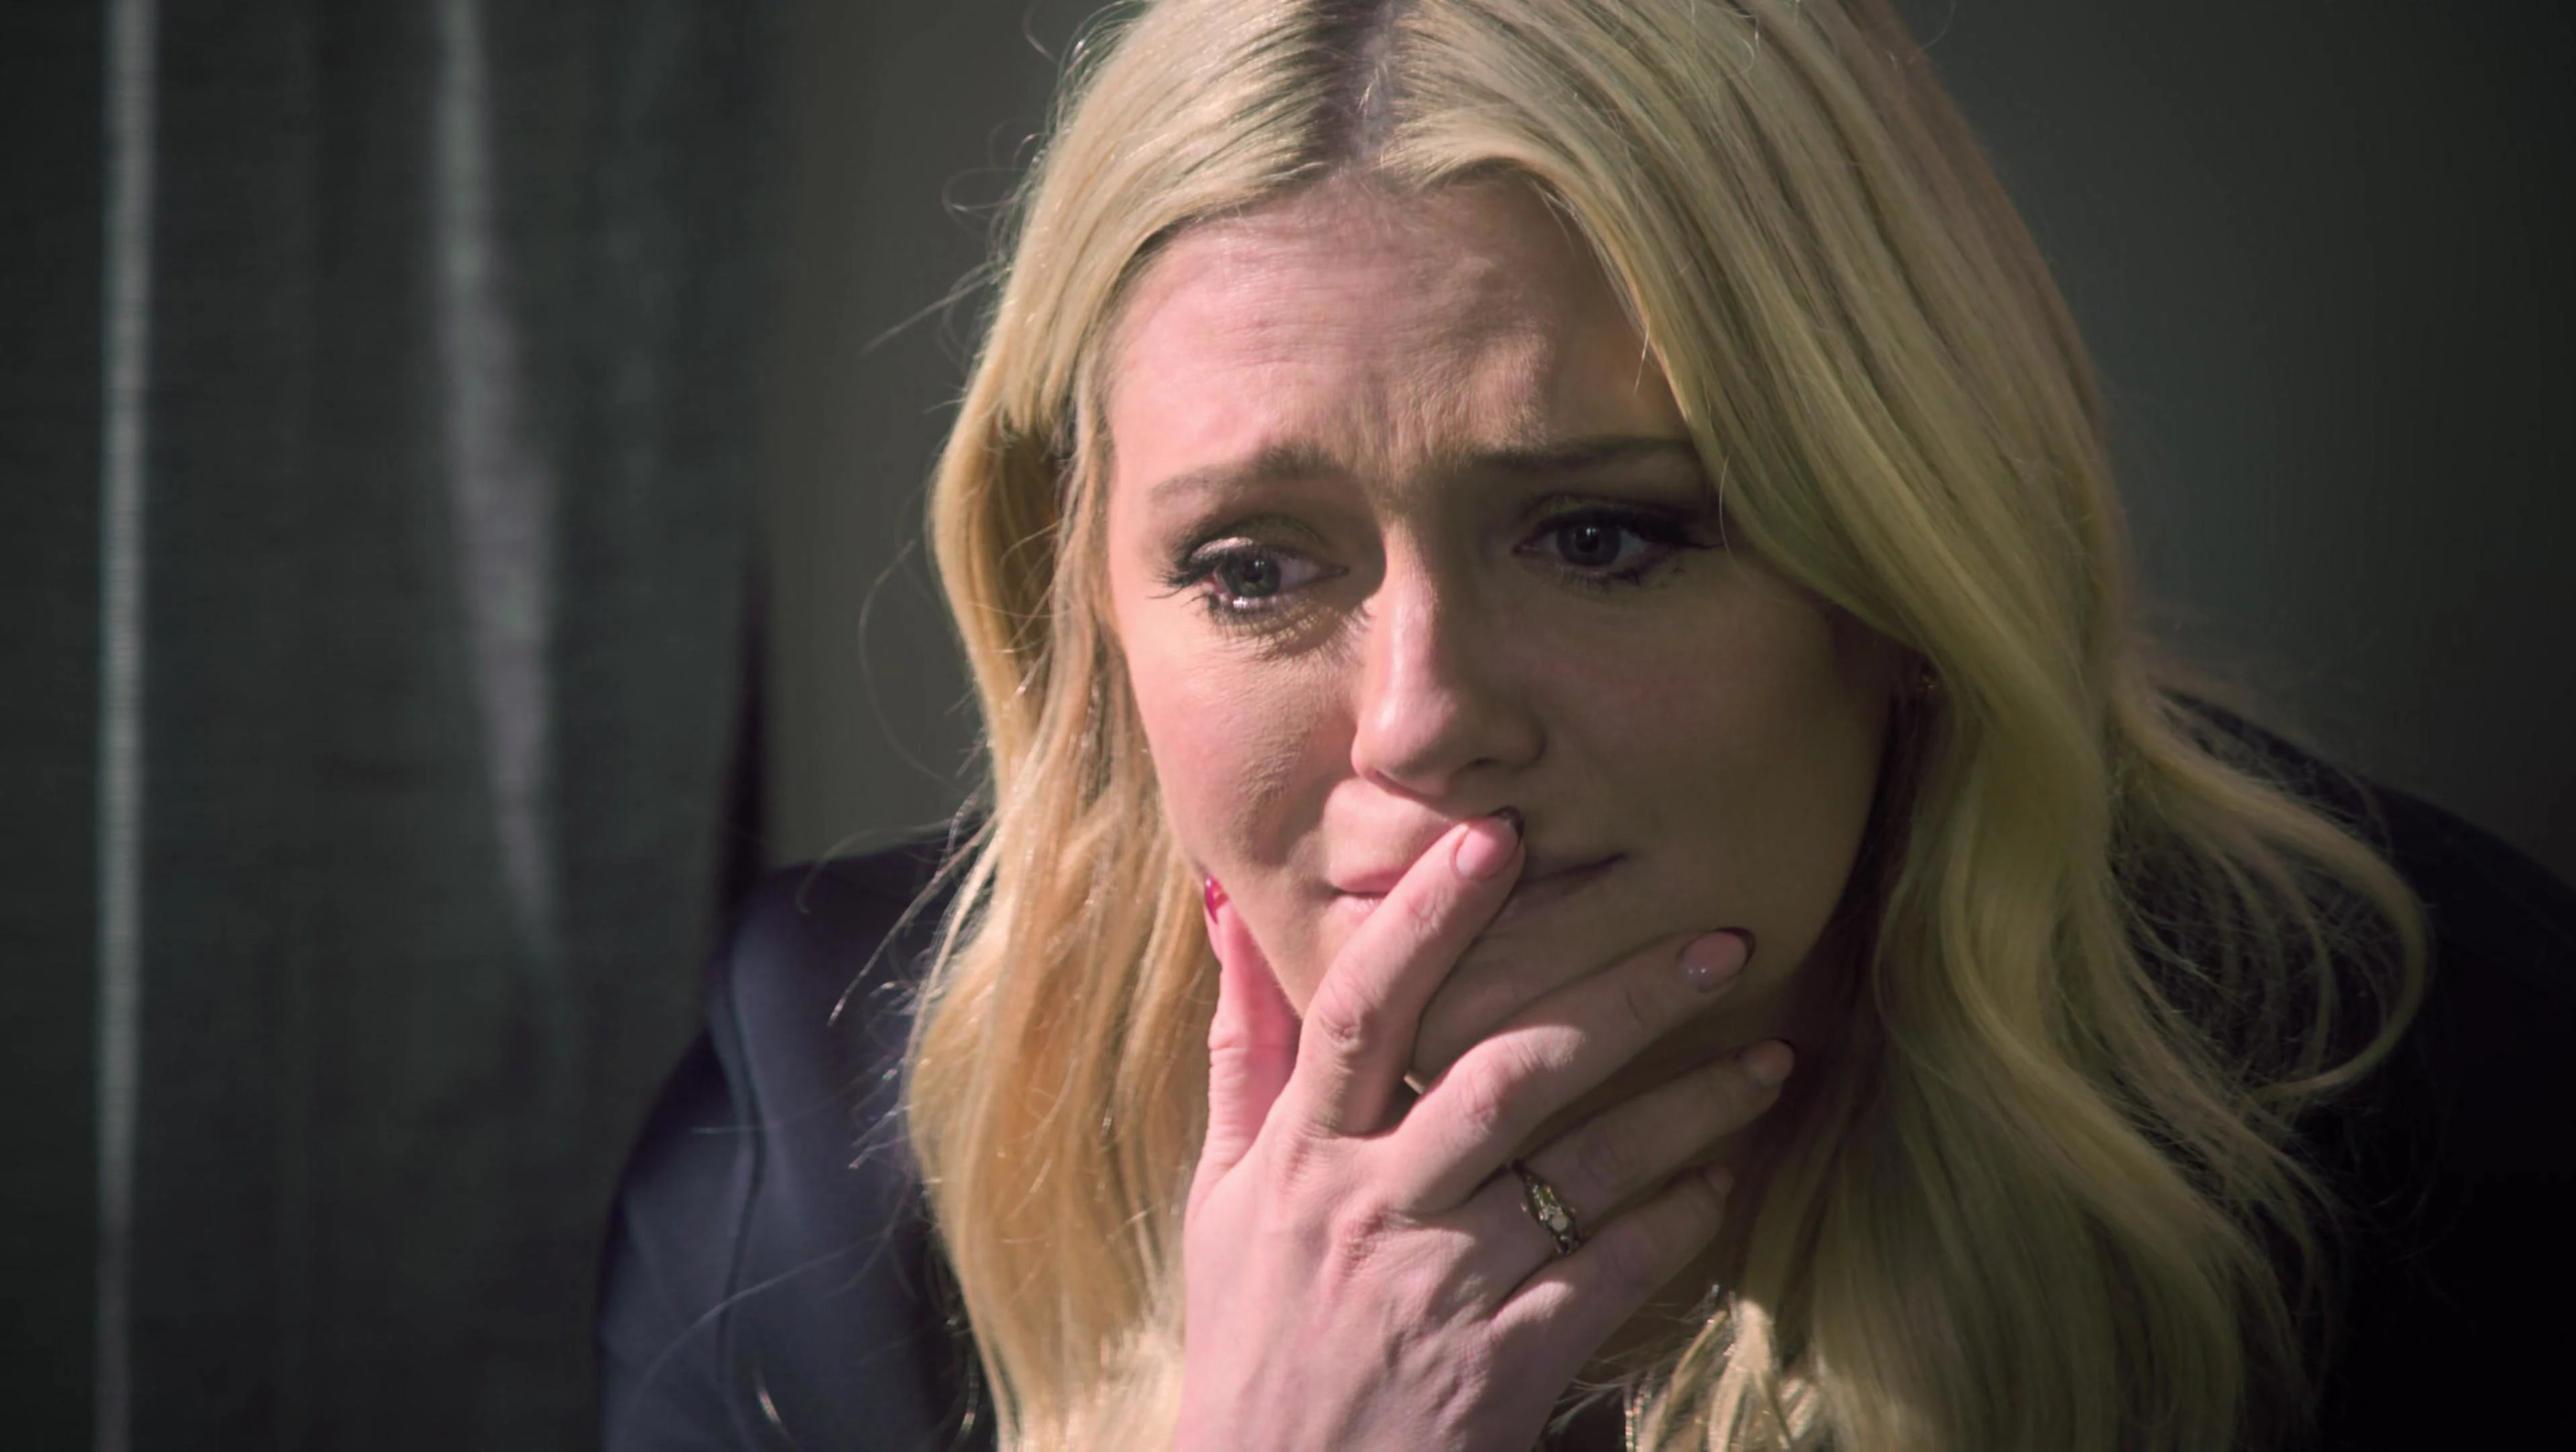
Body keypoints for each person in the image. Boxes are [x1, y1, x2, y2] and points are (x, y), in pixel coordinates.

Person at [598, 1, 2576, 1448]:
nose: (1425, 719)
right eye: (1254, 570)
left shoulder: (2411, 1086)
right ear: (1088, 612)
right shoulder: (828, 1146)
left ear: (1906, 571)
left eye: (1605, 536)